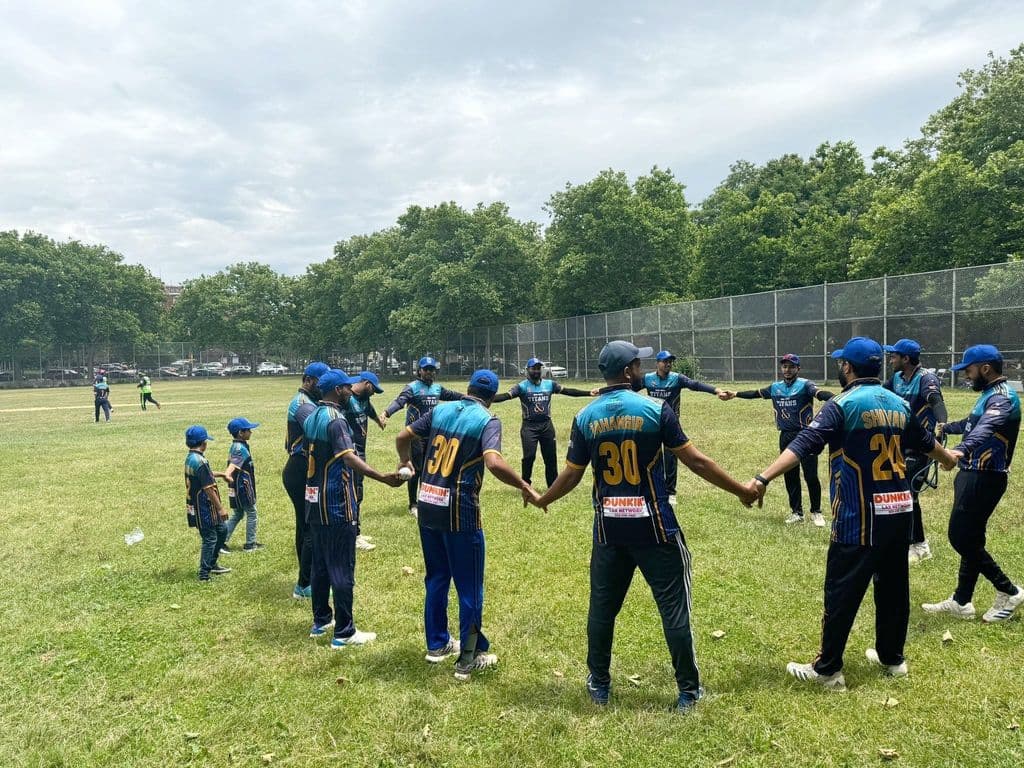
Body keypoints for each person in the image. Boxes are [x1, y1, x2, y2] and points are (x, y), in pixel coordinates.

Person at [532, 341, 757, 712]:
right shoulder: (656, 410)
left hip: (608, 531)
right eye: (638, 364)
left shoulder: (586, 417)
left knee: (602, 610)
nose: (643, 369)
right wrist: (740, 490)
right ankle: (688, 692)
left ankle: (599, 685)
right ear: (627, 372)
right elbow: (696, 462)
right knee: (674, 610)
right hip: (655, 529)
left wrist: (545, 498)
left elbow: (571, 475)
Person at [749, 337, 956, 690]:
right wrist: (950, 459)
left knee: (841, 591)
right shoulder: (899, 403)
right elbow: (927, 444)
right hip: (900, 511)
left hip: (858, 517)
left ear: (848, 367)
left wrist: (762, 478)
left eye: (841, 363)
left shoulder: (842, 405)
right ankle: (893, 659)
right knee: (893, 588)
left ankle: (828, 669)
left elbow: (801, 445)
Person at [396, 369, 541, 680]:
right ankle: (469, 658)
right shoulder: (487, 420)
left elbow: (402, 436)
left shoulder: (440, 410)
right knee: (470, 586)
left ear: (468, 388)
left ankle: (436, 645)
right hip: (460, 511)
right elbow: (493, 461)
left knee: (436, 576)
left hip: (427, 503)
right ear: (491, 398)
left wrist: (405, 462)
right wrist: (523, 485)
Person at [922, 344, 1023, 623]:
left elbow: (986, 428)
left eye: (968, 370)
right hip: (973, 474)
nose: (966, 376)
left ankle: (1008, 590)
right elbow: (973, 423)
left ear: (985, 369)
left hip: (985, 476)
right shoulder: (989, 394)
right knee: (972, 538)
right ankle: (962, 601)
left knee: (960, 537)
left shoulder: (1004, 398)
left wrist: (960, 450)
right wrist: (949, 427)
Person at [303, 370, 403, 649]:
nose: (350, 391)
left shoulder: (312, 417)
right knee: (342, 569)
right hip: (336, 503)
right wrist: (383, 477)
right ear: (338, 390)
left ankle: (322, 620)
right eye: (346, 387)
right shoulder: (337, 421)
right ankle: (345, 631)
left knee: (321, 565)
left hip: (314, 501)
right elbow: (349, 457)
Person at [721, 353, 833, 526]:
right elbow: (755, 393)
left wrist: (835, 398)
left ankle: (816, 512)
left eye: (791, 366)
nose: (787, 369)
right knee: (790, 475)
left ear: (798, 368)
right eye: (784, 366)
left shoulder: (805, 385)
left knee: (811, 475)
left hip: (806, 435)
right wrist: (735, 394)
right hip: (786, 436)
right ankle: (796, 512)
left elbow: (819, 393)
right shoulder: (776, 387)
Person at [633, 350, 728, 506]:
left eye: (670, 361)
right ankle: (655, 489)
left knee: (671, 458)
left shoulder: (677, 378)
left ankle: (670, 492)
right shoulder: (648, 379)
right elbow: (630, 389)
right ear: (657, 363)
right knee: (652, 456)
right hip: (652, 423)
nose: (668, 364)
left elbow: (695, 385)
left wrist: (715, 390)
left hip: (671, 424)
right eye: (665, 361)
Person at [882, 339, 947, 563]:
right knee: (901, 492)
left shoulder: (926, 378)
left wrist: (942, 425)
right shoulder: (897, 379)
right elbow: (881, 394)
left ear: (906, 359)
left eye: (894, 356)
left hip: (921, 445)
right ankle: (908, 540)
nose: (891, 359)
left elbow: (935, 401)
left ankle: (919, 545)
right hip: (898, 444)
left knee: (909, 493)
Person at [491, 356, 593, 488]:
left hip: (546, 426)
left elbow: (568, 391)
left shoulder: (550, 384)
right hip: (529, 427)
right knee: (529, 457)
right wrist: (486, 398)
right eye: (533, 368)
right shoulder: (521, 387)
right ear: (527, 370)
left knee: (550, 458)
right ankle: (525, 484)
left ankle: (553, 486)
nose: (536, 371)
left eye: (539, 368)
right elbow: (505, 396)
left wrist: (589, 393)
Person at [381, 356, 463, 517]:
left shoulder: (438, 389)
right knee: (416, 469)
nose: (430, 373)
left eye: (432, 370)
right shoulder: (412, 387)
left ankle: (426, 498)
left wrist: (472, 399)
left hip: (433, 435)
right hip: (415, 435)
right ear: (420, 371)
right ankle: (413, 504)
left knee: (431, 468)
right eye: (426, 370)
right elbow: (399, 402)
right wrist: (386, 413)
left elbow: (454, 396)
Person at [283, 361, 330, 599]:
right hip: (300, 470)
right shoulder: (302, 404)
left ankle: (307, 577)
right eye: (321, 383)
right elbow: (316, 426)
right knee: (311, 527)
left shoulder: (310, 402)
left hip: (302, 469)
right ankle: (304, 584)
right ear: (308, 380)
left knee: (305, 525)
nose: (323, 388)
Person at [344, 370, 387, 551]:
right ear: (367, 384)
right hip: (350, 453)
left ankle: (356, 530)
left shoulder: (364, 399)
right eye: (374, 390)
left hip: (361, 451)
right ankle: (352, 535)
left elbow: (370, 410)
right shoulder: (347, 399)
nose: (374, 394)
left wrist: (378, 420)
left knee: (358, 492)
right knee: (352, 492)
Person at [184, 425, 231, 581]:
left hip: (199, 506)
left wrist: (221, 474)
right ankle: (204, 573)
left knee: (222, 530)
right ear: (203, 443)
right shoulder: (200, 461)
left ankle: (212, 563)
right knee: (210, 538)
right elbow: (209, 488)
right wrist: (221, 508)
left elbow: (206, 475)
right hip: (204, 507)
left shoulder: (191, 458)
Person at [216, 417, 263, 553]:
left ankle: (221, 542)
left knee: (238, 514)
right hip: (242, 487)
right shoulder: (239, 448)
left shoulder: (237, 445)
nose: (251, 432)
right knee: (252, 513)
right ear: (241, 433)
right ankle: (250, 544)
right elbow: (233, 464)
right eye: (248, 430)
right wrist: (227, 474)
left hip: (237, 487)